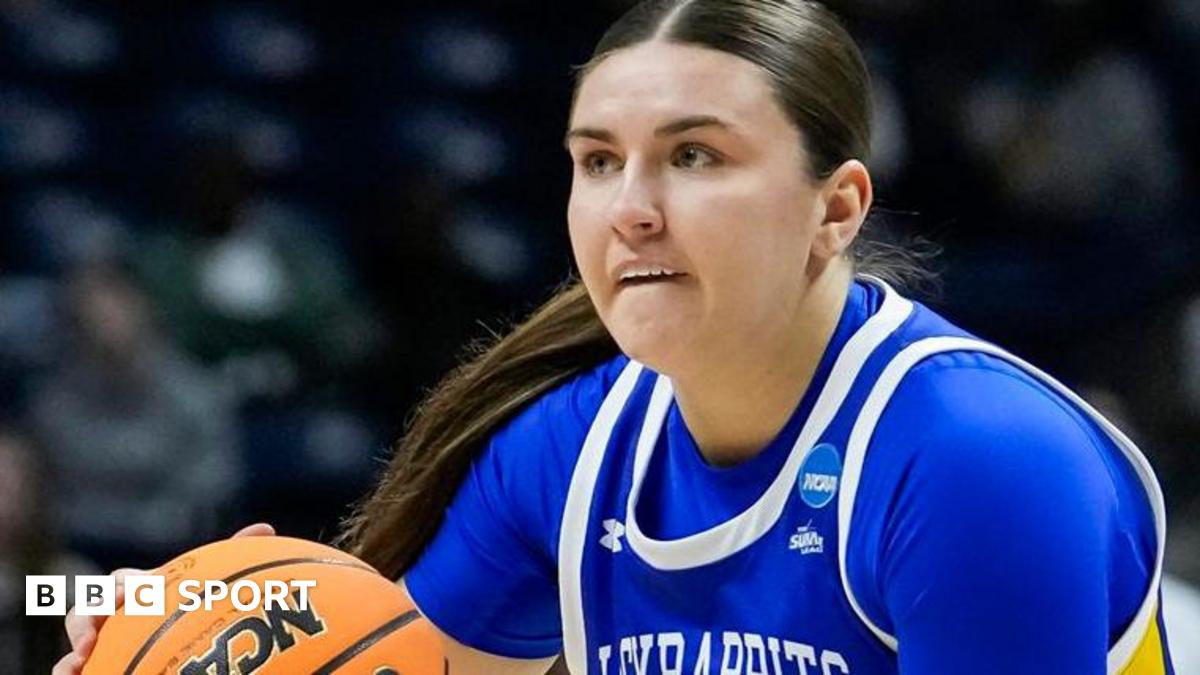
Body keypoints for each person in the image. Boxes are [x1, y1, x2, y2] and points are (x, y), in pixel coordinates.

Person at [57, 1, 1173, 673]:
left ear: (835, 209)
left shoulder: (975, 460)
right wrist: (210, 632)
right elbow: (384, 655)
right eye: (598, 161)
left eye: (695, 156)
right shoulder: (564, 451)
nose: (630, 208)